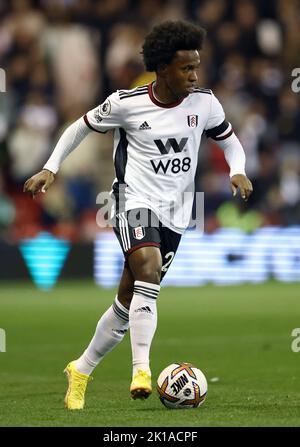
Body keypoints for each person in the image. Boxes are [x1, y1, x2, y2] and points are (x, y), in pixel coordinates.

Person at [23, 20, 253, 410]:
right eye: (186, 68)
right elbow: (78, 128)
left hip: (179, 214)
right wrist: (51, 167)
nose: (194, 75)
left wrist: (238, 170)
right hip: (131, 201)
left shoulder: (205, 103)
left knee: (128, 300)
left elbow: (230, 141)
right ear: (163, 69)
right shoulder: (127, 104)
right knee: (147, 267)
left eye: (196, 67)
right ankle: (141, 370)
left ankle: (80, 369)